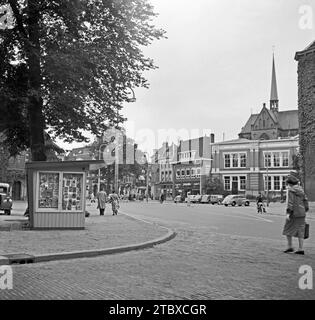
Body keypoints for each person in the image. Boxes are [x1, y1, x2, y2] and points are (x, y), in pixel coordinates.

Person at [282, 174, 309, 255]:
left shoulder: (291, 190)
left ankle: (290, 246)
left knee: (287, 228)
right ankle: (301, 248)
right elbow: (305, 200)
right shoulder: (301, 190)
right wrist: (305, 209)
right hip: (302, 212)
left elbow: (290, 203)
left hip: (294, 213)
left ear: (289, 184)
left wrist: (288, 213)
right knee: (301, 230)